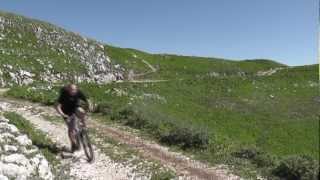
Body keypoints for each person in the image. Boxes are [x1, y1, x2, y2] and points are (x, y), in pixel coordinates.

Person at [55, 84, 89, 152]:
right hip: (66, 112)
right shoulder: (64, 95)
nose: (73, 91)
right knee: (71, 130)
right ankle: (73, 144)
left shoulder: (78, 92)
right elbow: (57, 106)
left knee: (81, 112)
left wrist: (88, 107)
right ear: (68, 90)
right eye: (71, 90)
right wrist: (63, 114)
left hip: (75, 108)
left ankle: (84, 127)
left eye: (74, 90)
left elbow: (86, 100)